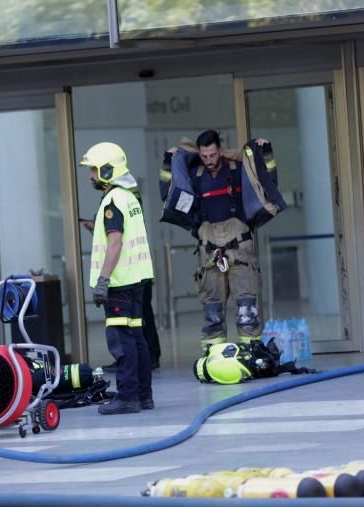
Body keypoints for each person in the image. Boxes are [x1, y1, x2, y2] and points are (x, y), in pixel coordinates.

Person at [161, 130, 284, 353]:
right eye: (204, 155)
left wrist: (264, 152)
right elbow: (168, 191)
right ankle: (213, 356)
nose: (209, 160)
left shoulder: (237, 168)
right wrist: (169, 161)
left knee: (247, 311)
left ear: (220, 150)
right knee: (212, 312)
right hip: (209, 251)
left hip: (240, 248)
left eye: (213, 154)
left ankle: (251, 355)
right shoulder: (194, 174)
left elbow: (269, 180)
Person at [80, 142, 155, 415]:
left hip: (120, 283)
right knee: (137, 339)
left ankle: (127, 397)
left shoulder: (112, 201)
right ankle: (144, 396)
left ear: (108, 170)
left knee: (122, 342)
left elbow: (115, 243)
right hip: (137, 281)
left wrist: (103, 280)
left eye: (94, 170)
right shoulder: (129, 197)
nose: (90, 176)